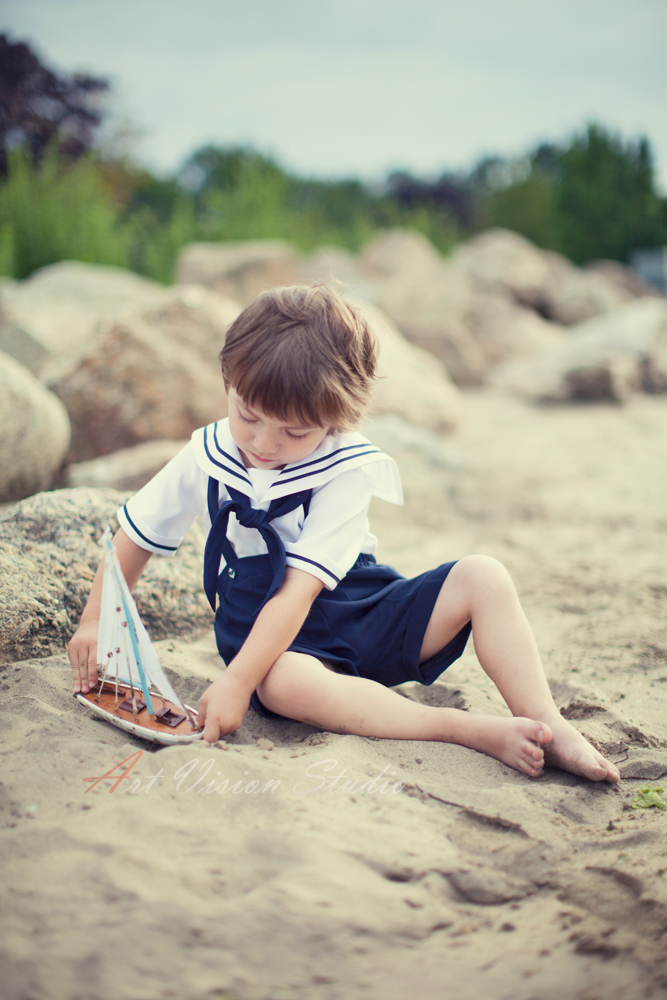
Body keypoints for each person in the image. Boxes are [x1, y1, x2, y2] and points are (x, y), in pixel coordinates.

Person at [68, 284, 620, 783]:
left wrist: (234, 686)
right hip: (270, 640)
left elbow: (299, 591)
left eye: (295, 431)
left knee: (484, 576)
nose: (264, 443)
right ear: (229, 384)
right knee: (281, 686)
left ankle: (546, 721)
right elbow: (133, 537)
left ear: (336, 419)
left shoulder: (346, 469)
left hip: (355, 606)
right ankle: (460, 728)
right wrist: (97, 619)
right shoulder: (207, 455)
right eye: (249, 415)